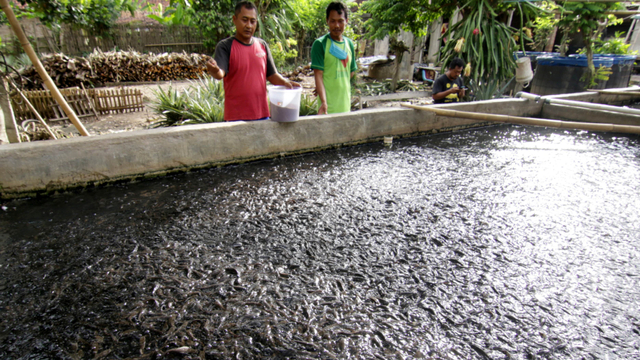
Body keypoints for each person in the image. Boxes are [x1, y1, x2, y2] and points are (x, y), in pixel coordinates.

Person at [206, 1, 300, 121]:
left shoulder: (262, 45)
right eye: (244, 20)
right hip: (236, 118)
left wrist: (286, 82)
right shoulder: (225, 46)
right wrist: (214, 70)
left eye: (252, 21)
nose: (249, 25)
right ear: (234, 19)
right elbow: (220, 73)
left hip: (262, 115)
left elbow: (272, 75)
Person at [310, 2, 358, 115]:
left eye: (340, 21)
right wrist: (324, 102)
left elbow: (351, 73)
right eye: (333, 21)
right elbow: (318, 75)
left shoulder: (349, 44)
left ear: (346, 21)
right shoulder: (320, 44)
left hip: (345, 107)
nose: (337, 25)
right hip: (327, 109)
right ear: (327, 21)